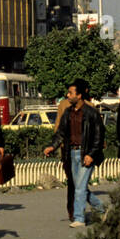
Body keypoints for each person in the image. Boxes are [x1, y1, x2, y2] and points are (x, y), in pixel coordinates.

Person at [44, 79, 106, 228]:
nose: (68, 95)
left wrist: (91, 154)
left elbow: (99, 136)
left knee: (79, 187)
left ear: (79, 95)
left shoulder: (91, 113)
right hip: (72, 154)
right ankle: (101, 209)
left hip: (86, 154)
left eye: (71, 93)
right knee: (80, 185)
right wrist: (52, 146)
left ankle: (79, 218)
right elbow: (60, 133)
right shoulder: (68, 112)